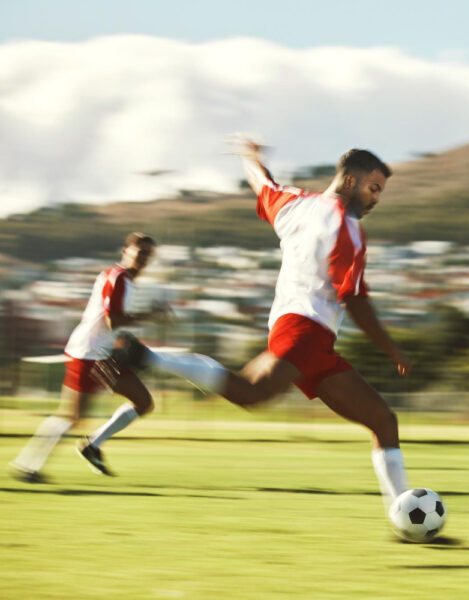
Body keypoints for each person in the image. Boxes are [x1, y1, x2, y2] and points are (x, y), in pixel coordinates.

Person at [100, 139, 413, 512]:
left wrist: (251, 157)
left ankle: (404, 518)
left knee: (383, 420)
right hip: (305, 330)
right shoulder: (347, 228)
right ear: (350, 182)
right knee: (250, 392)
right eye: (373, 188)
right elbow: (355, 299)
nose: (376, 199)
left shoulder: (295, 203)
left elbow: (262, 185)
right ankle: (148, 358)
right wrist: (391, 348)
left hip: (306, 334)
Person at [10, 232, 169, 482]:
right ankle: (28, 466)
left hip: (102, 354)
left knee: (143, 401)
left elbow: (108, 321)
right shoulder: (120, 278)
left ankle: (92, 445)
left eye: (149, 254)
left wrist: (122, 340)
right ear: (126, 250)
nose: (145, 257)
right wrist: (150, 315)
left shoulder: (121, 278)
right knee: (72, 417)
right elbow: (112, 320)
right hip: (87, 354)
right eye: (140, 251)